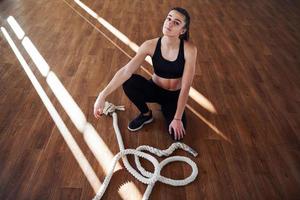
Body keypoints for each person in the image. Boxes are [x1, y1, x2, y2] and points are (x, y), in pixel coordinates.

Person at [94, 7, 197, 140]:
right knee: (129, 81)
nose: (169, 23)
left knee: (176, 136)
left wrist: (177, 118)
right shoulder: (150, 45)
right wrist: (102, 95)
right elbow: (126, 71)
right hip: (154, 89)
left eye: (176, 23)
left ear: (182, 30)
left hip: (174, 97)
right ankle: (146, 114)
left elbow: (186, 86)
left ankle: (170, 111)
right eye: (169, 18)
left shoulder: (190, 50)